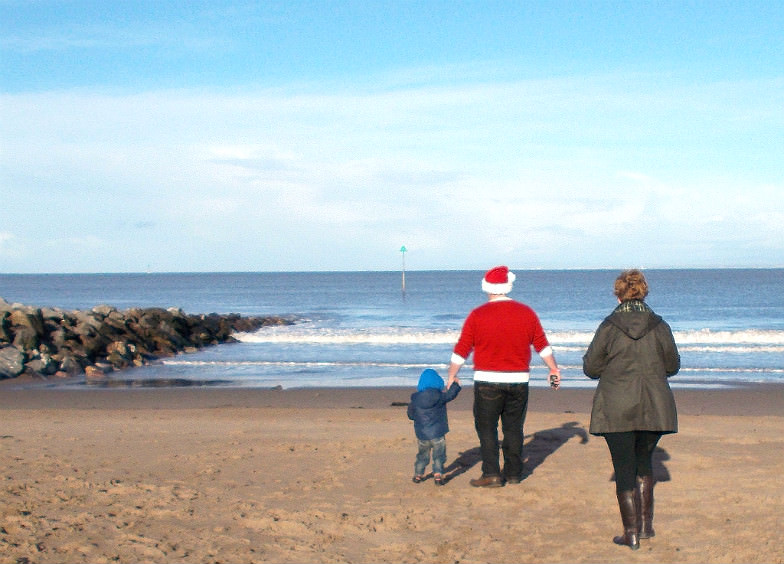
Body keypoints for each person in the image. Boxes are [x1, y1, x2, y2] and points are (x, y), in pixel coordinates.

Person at [583, 269, 680, 550]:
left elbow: (591, 367)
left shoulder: (609, 326)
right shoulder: (659, 325)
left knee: (626, 468)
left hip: (617, 406)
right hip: (654, 405)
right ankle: (644, 528)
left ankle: (633, 533)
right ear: (643, 291)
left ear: (618, 293)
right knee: (642, 464)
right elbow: (672, 365)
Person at [446, 266, 561, 488]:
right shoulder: (526, 312)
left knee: (487, 427)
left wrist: (452, 375)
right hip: (518, 381)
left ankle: (491, 473)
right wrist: (553, 369)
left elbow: (462, 349)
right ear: (508, 286)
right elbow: (542, 345)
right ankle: (513, 472)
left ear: (486, 287)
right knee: (513, 428)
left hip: (487, 381)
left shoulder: (477, 315)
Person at [407, 368, 462, 486]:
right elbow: (450, 395)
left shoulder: (415, 399)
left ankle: (418, 474)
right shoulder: (439, 396)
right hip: (437, 433)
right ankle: (437, 474)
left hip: (422, 434)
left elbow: (410, 415)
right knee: (439, 455)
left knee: (422, 455)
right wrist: (456, 384)